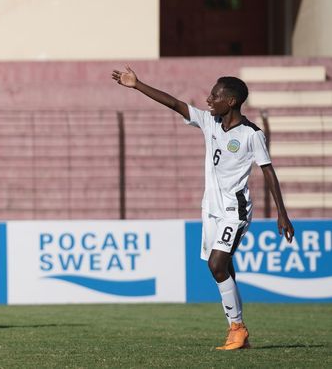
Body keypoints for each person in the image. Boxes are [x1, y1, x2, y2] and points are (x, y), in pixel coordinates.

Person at [112, 67, 295, 350]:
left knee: (216, 264)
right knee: (224, 267)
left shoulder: (251, 134)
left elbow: (268, 172)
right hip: (210, 209)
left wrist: (282, 213)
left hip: (236, 209)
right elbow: (175, 104)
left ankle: (237, 328)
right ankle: (238, 331)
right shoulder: (210, 122)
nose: (209, 99)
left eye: (215, 95)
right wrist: (137, 85)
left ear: (231, 101)